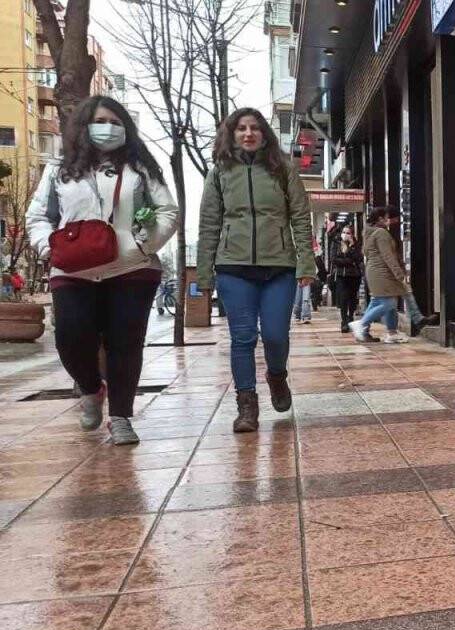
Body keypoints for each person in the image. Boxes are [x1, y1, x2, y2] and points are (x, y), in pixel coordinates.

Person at [25, 95, 179, 445]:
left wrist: (143, 245)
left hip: (132, 268)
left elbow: (168, 211)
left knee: (125, 343)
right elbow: (38, 217)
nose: (107, 128)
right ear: (83, 125)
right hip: (73, 269)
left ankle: (121, 416)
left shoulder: (140, 168)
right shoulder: (58, 170)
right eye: (100, 121)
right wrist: (49, 248)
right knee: (70, 336)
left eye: (115, 121)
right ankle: (92, 389)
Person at [197, 107, 316, 433]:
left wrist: (306, 262)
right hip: (233, 268)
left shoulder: (283, 169)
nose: (248, 133)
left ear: (264, 134)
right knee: (242, 338)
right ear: (231, 134)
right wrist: (205, 275)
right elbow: (209, 224)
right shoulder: (220, 172)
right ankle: (246, 405)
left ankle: (277, 376)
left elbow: (301, 218)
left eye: (254, 128)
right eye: (241, 129)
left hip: (278, 266)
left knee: (276, 335)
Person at [350, 207, 410, 343]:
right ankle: (361, 324)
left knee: (378, 301)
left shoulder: (368, 232)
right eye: (386, 217)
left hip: (374, 271)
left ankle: (390, 333)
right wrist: (399, 274)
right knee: (389, 302)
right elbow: (388, 256)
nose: (388, 220)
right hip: (382, 272)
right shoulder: (381, 233)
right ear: (380, 219)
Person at [330, 223, 363, 332]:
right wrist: (349, 261)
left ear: (352, 235)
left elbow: (358, 259)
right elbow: (334, 259)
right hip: (341, 275)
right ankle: (344, 321)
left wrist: (351, 247)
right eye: (344, 232)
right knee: (343, 299)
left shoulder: (356, 244)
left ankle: (351, 317)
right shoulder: (336, 243)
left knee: (352, 298)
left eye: (348, 233)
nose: (345, 235)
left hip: (354, 276)